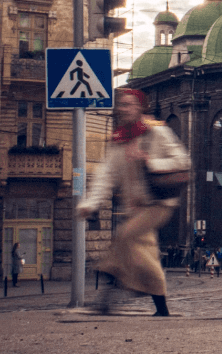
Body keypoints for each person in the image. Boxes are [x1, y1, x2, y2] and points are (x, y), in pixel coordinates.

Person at [76, 89, 191, 316]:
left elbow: (183, 161)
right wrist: (91, 202)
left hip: (159, 203)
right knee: (146, 255)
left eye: (128, 104)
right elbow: (105, 175)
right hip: (135, 208)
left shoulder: (157, 132)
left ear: (140, 107)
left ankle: (110, 287)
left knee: (124, 235)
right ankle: (162, 309)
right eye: (121, 104)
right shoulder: (119, 140)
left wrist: (150, 161)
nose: (122, 109)